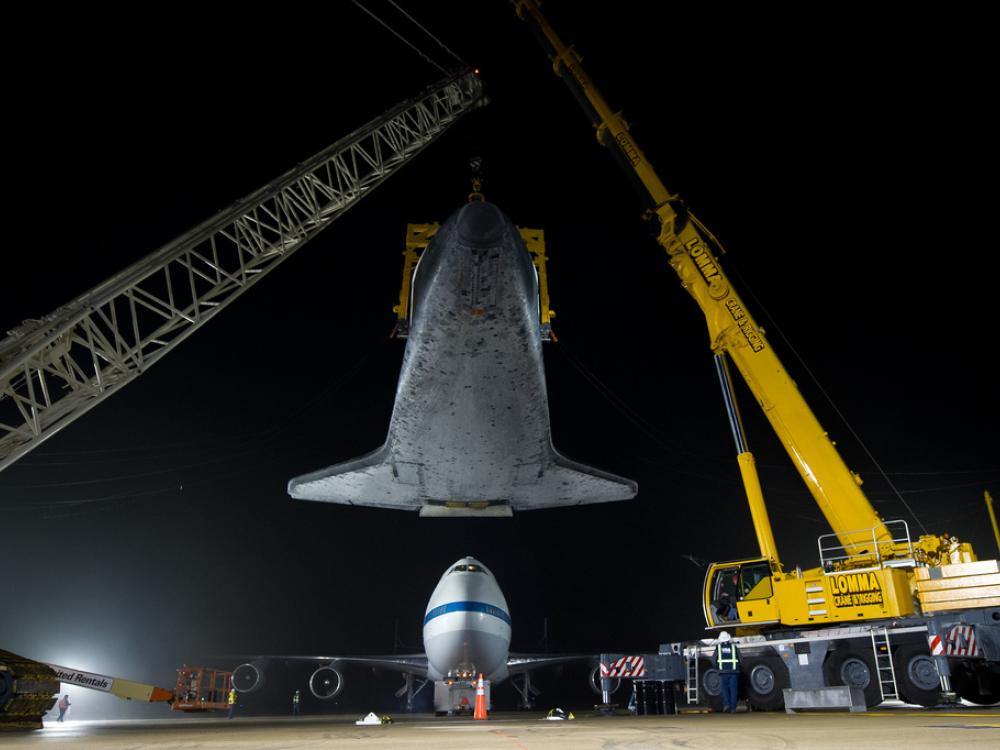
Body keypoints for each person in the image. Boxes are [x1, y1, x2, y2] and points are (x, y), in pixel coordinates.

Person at [714, 631, 741, 713]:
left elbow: (714, 660)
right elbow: (740, 659)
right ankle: (733, 708)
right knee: (733, 690)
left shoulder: (718, 648)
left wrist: (717, 668)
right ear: (728, 639)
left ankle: (727, 705)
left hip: (723, 673)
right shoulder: (734, 647)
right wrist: (737, 668)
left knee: (724, 689)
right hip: (733, 672)